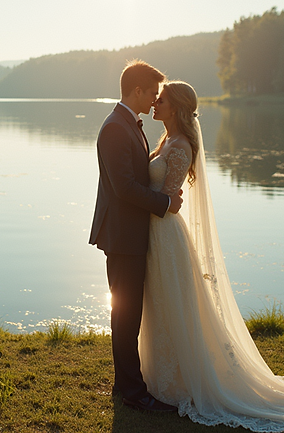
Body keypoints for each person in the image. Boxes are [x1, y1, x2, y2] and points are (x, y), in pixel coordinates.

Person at [139, 80, 284, 431]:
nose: (155, 102)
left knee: (172, 305)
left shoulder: (180, 146)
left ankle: (177, 382)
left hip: (165, 233)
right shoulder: (166, 140)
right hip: (155, 232)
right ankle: (159, 377)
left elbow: (168, 199)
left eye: (162, 99)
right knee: (159, 304)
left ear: (177, 108)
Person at [89, 60, 183, 413]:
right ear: (138, 91)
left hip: (129, 233)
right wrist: (166, 202)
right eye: (153, 93)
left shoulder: (129, 124)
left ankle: (123, 384)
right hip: (123, 236)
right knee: (126, 316)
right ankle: (134, 393)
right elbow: (125, 187)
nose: (155, 99)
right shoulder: (116, 127)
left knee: (127, 314)